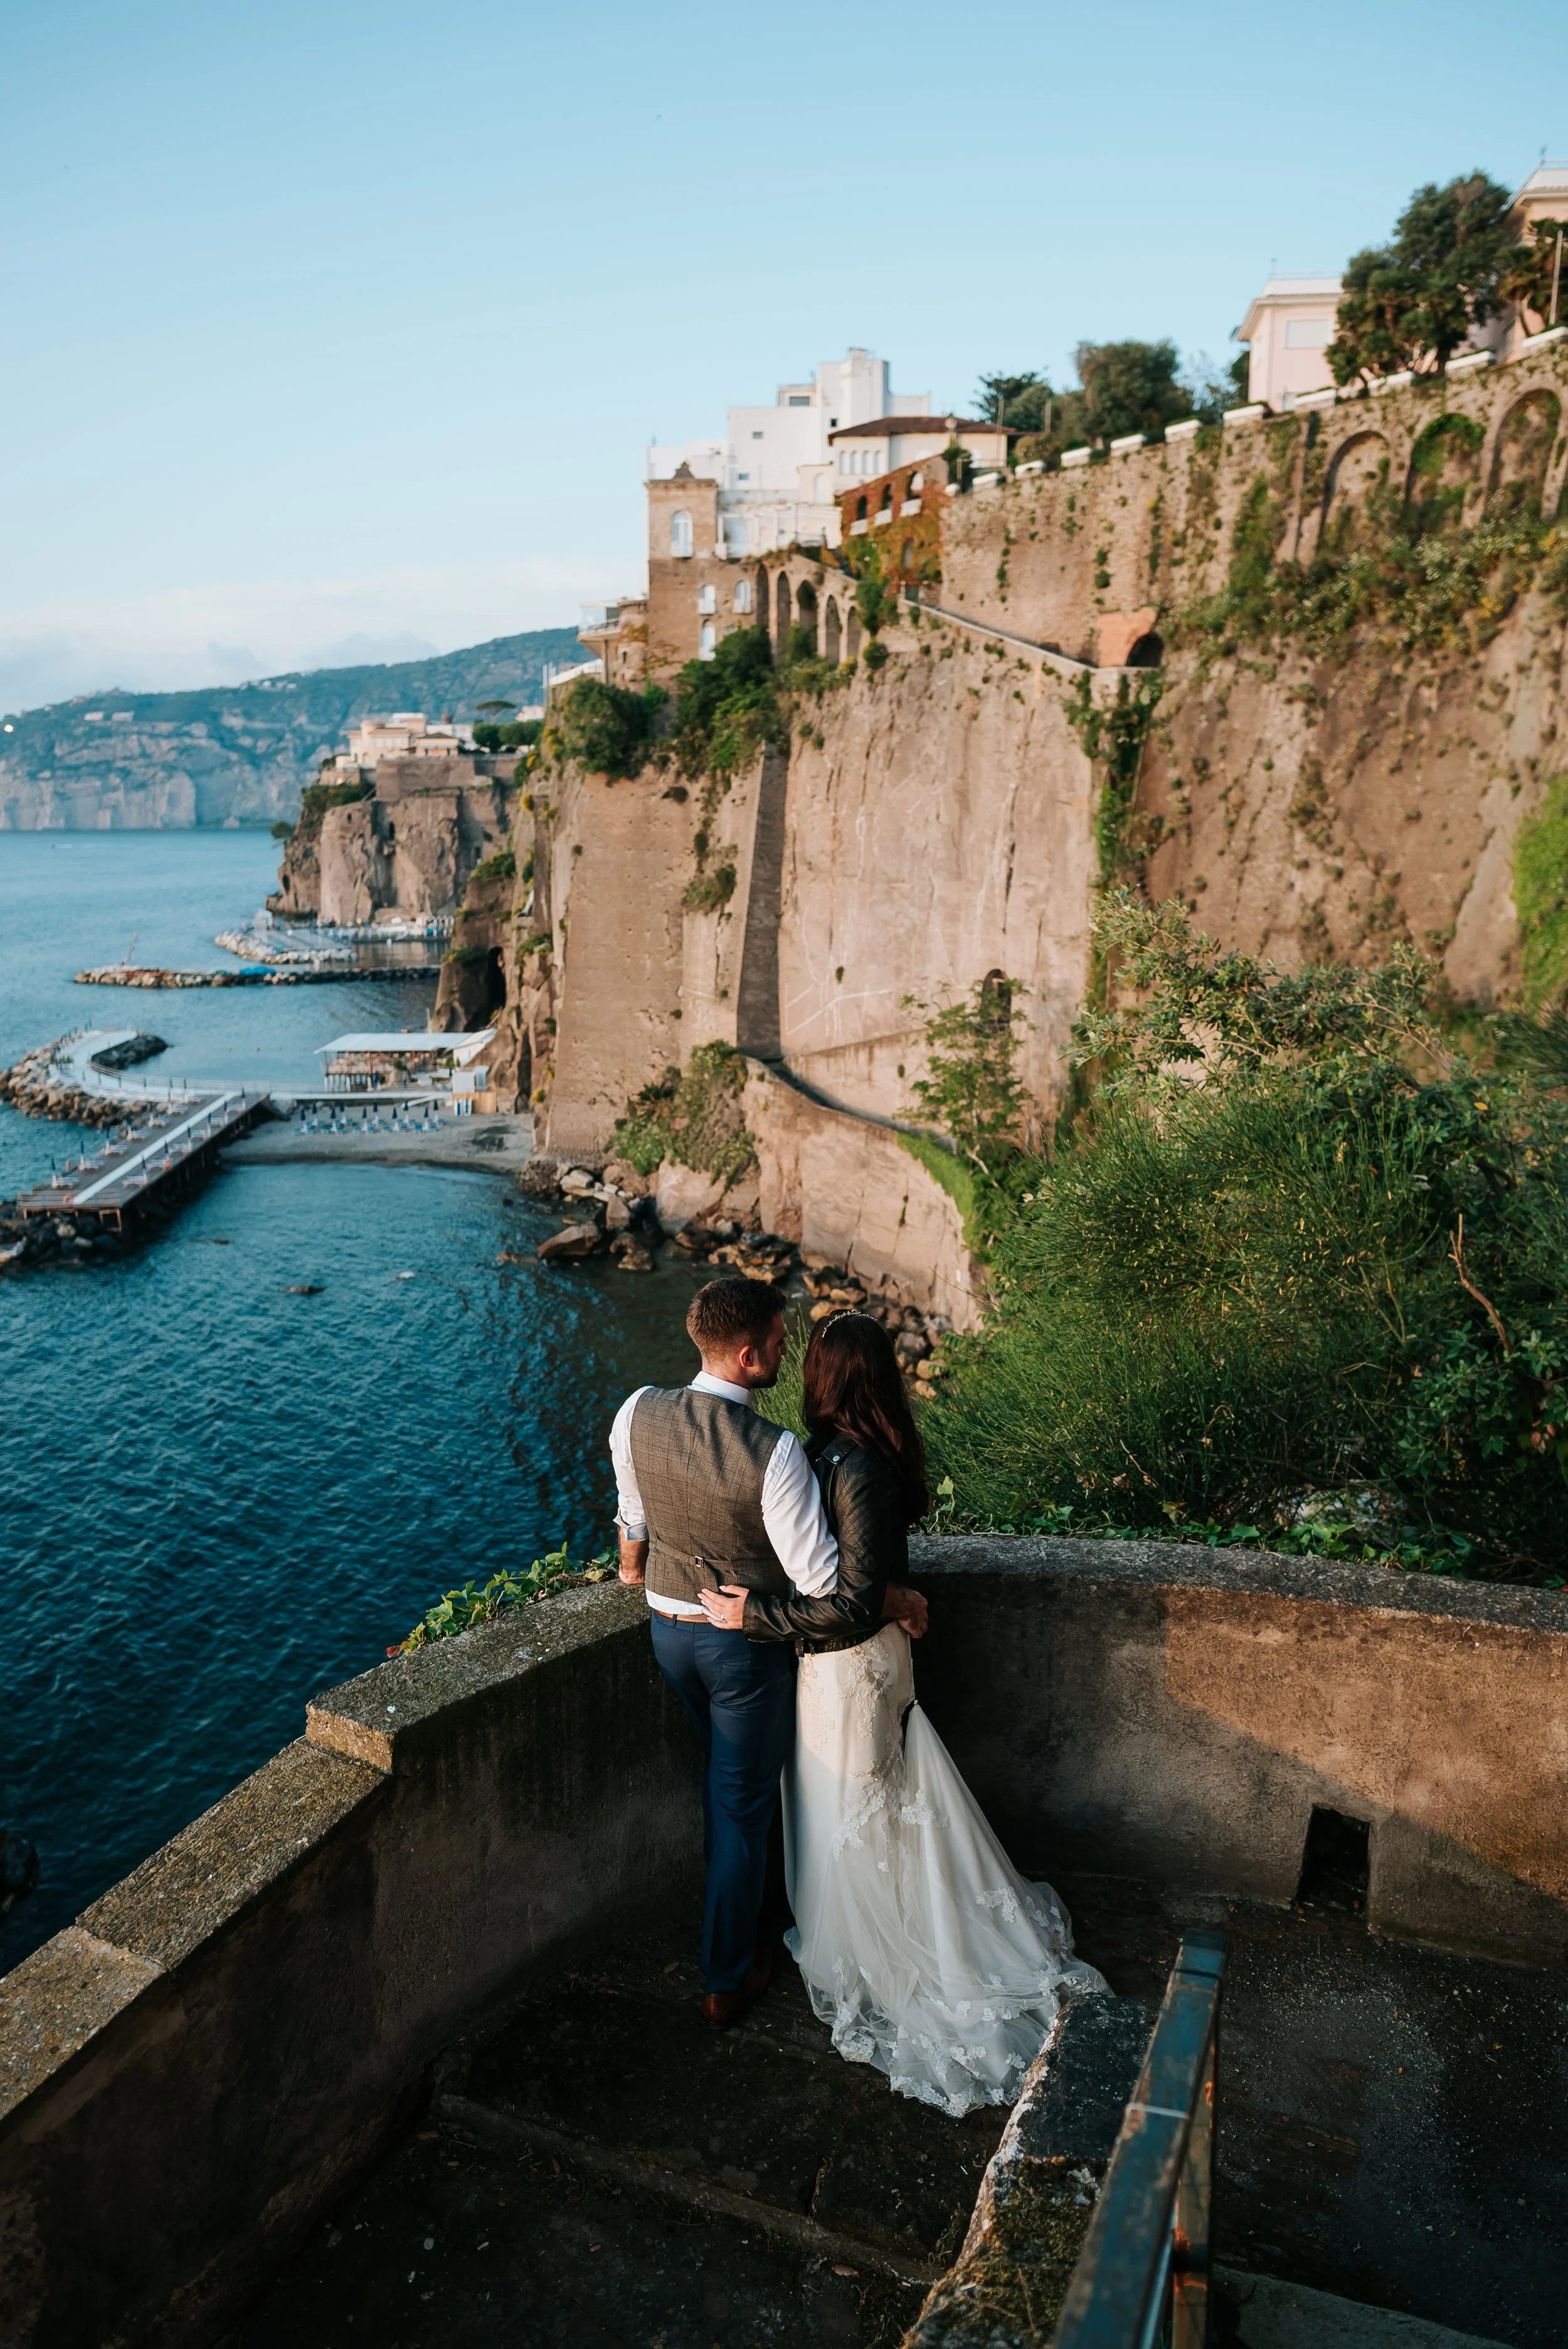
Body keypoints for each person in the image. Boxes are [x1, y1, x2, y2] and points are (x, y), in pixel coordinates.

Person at [700, 1310, 1106, 2116]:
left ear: (825, 1376)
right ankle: (857, 1940)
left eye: (807, 1361)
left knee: (861, 1808)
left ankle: (889, 1951)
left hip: (850, 1665)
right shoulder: (831, 1454)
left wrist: (754, 1618)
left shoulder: (855, 1467)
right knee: (849, 1806)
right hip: (849, 1660)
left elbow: (848, 1602)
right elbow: (857, 1584)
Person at [611, 1278, 926, 2028]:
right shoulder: (775, 1451)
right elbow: (825, 1582)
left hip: (666, 1634)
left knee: (730, 1789)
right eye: (782, 1341)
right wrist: (899, 1599)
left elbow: (632, 1517)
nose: (790, 1348)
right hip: (739, 1651)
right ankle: (728, 1973)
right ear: (749, 1356)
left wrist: (633, 1568)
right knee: (742, 1804)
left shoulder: (635, 1410)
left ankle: (768, 1914)